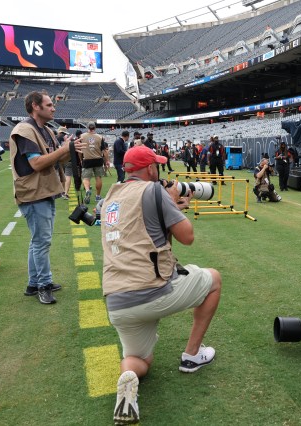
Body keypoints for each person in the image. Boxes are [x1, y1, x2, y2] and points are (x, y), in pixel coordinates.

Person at [101, 146, 222, 425]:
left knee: (139, 360)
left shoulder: (111, 196)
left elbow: (143, 232)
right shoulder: (154, 191)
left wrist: (168, 211)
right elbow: (187, 237)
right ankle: (192, 356)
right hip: (153, 291)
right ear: (150, 169)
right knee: (214, 279)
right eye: (156, 166)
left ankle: (127, 377)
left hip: (118, 302)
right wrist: (173, 204)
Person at [9, 91, 81, 304]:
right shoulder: (24, 130)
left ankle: (33, 283)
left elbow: (56, 159)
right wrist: (64, 150)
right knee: (41, 242)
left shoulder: (46, 130)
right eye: (49, 104)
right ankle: (43, 284)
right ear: (35, 106)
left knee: (37, 241)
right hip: (33, 193)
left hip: (43, 191)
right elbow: (38, 163)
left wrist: (71, 148)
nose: (53, 108)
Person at [80, 122, 109, 204]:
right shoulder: (100, 137)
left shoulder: (82, 136)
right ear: (95, 128)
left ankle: (88, 190)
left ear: (87, 127)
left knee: (86, 178)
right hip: (98, 159)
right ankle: (98, 196)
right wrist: (107, 161)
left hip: (87, 159)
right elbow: (104, 151)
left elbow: (79, 150)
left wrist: (80, 159)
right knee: (98, 178)